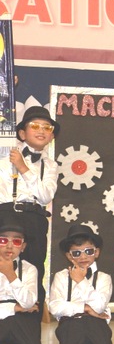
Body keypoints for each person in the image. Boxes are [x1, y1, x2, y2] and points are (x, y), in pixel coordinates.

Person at [0, 106, 59, 331]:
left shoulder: (51, 165)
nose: (41, 130)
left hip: (35, 217)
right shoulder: (5, 155)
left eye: (47, 127)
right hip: (7, 214)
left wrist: (23, 167)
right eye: (35, 126)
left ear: (52, 136)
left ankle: (30, 331)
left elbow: (45, 195)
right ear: (22, 133)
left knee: (34, 269)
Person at [48, 224, 114, 344]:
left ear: (96, 252)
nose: (83, 257)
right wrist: (85, 308)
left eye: (88, 251)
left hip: (96, 324)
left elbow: (99, 306)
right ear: (69, 256)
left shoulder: (104, 278)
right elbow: (55, 307)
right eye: (76, 253)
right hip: (70, 324)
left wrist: (81, 281)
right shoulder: (61, 276)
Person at [0, 220, 49, 344]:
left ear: (23, 247)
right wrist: (14, 307)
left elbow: (28, 302)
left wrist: (11, 275)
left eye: (16, 241)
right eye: (3, 240)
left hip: (21, 322)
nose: (9, 246)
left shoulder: (29, 269)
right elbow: (23, 305)